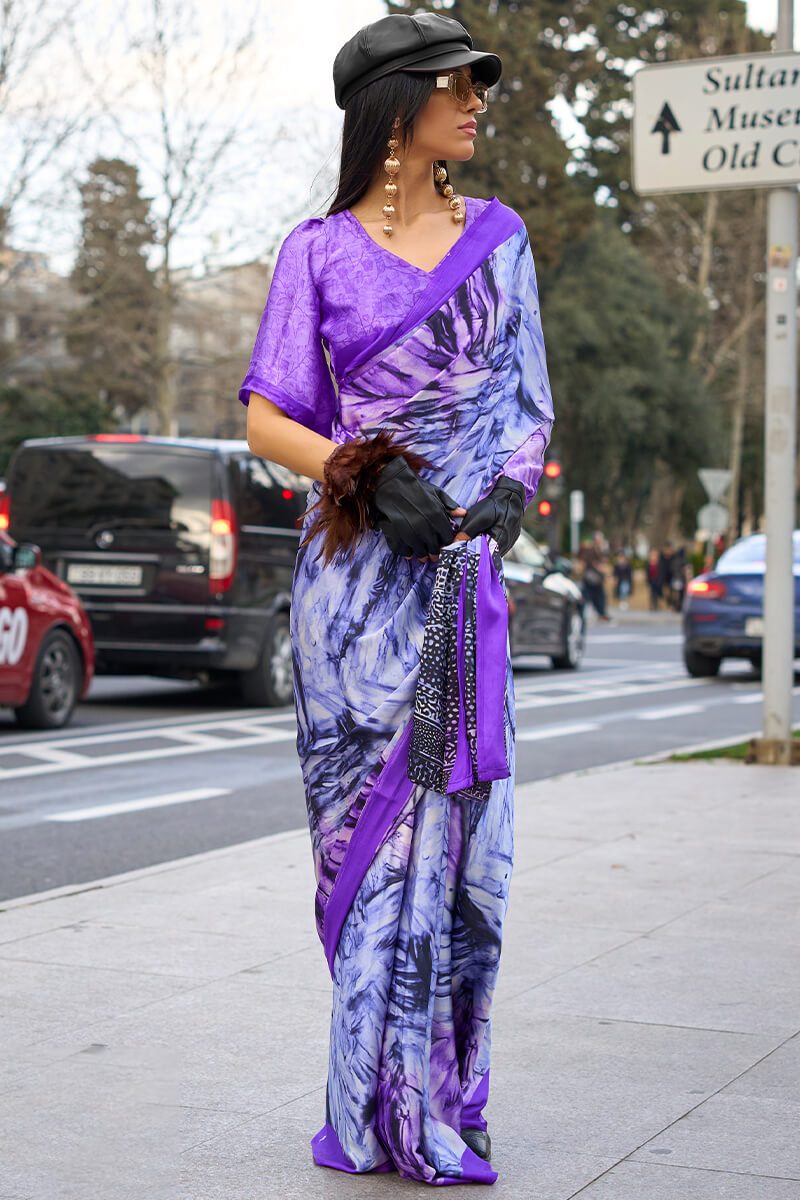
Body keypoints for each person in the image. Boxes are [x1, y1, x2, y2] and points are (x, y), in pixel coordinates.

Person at [239, 13, 554, 1187]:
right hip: (353, 589)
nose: (476, 102)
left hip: (460, 582)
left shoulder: (502, 239)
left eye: (479, 85)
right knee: (358, 852)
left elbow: (525, 404)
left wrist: (510, 497)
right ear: (393, 107)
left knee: (461, 854)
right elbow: (268, 415)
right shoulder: (315, 252)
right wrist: (360, 473)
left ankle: (438, 1095)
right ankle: (370, 1102)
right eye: (456, 85)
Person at [581, 534, 611, 621]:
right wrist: (600, 568)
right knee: (588, 596)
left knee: (600, 596)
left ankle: (601, 613)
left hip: (597, 579)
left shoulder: (600, 550)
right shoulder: (590, 549)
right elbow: (591, 562)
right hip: (591, 578)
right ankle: (585, 612)